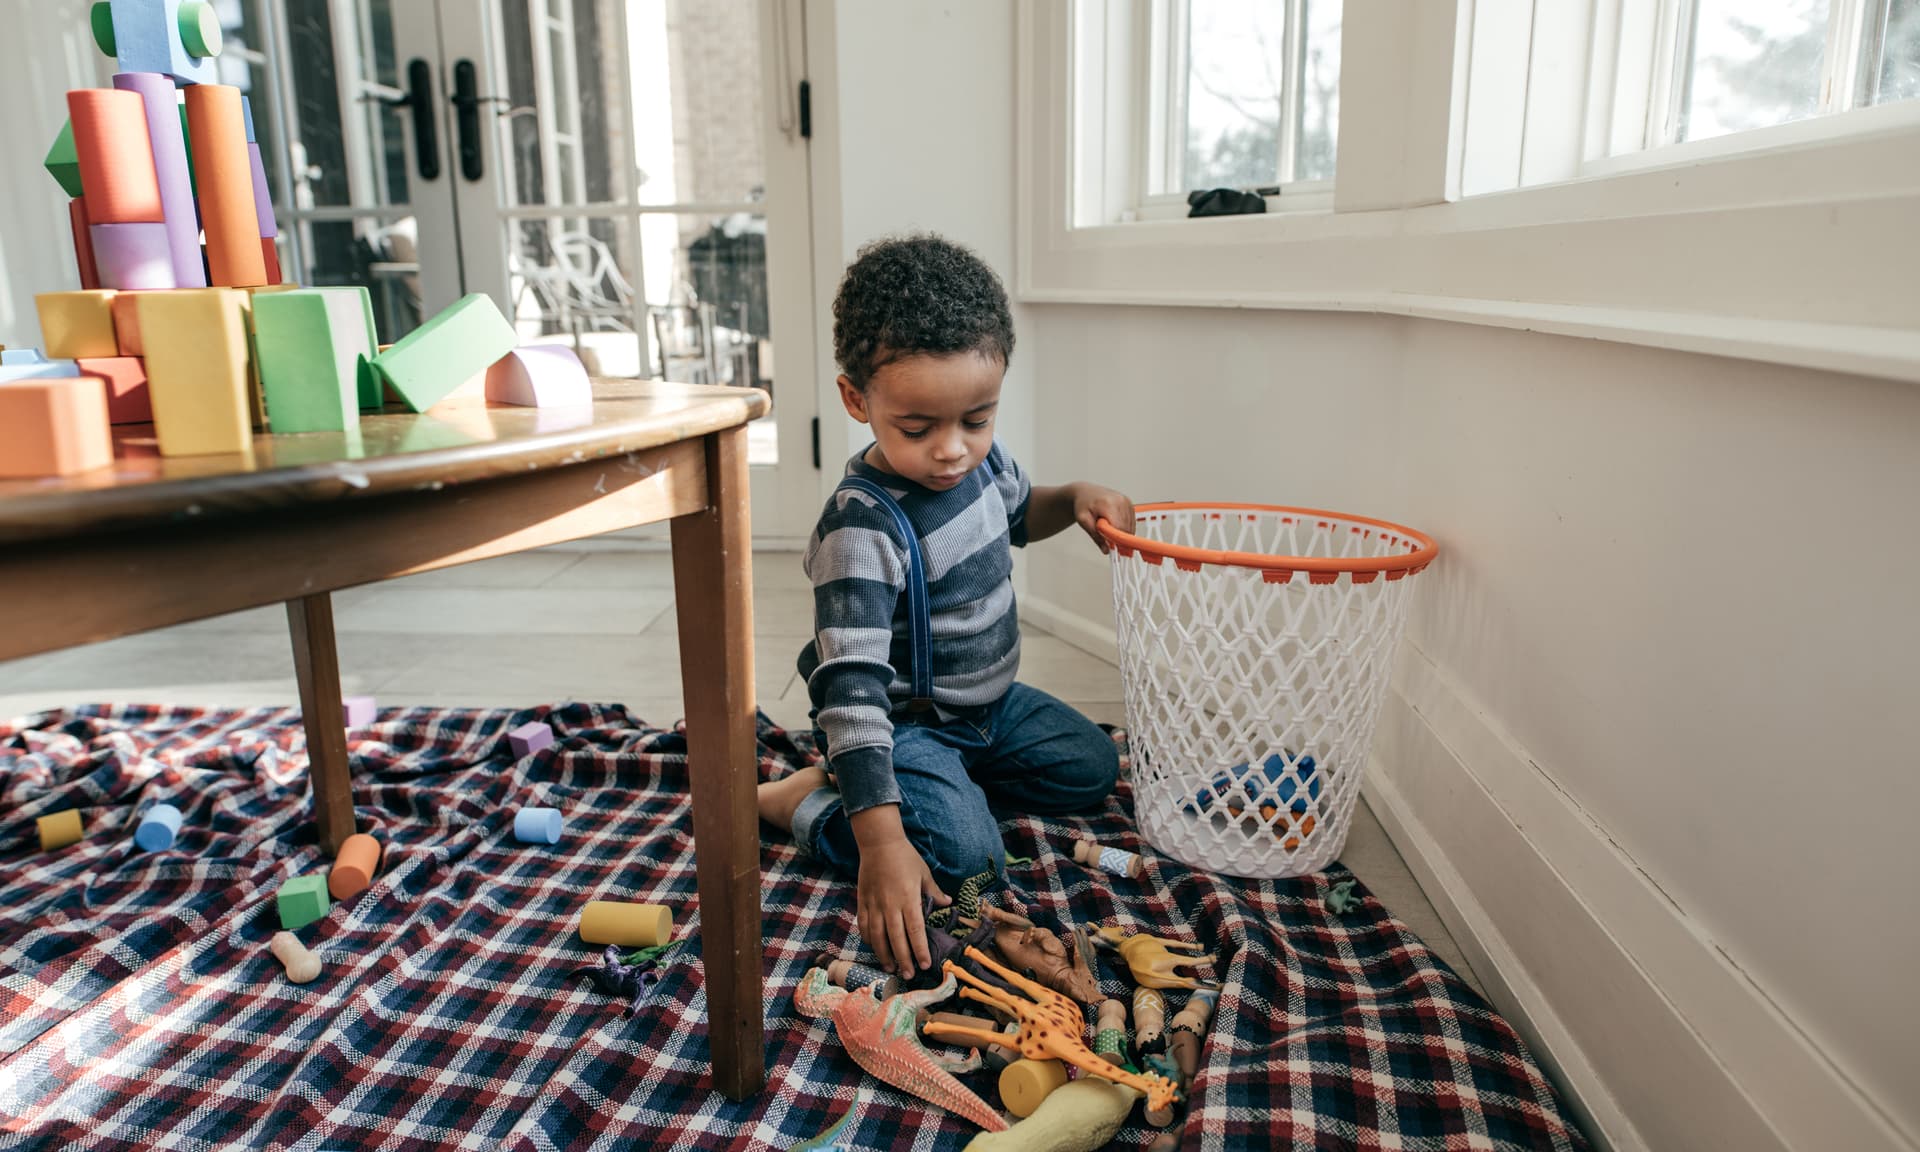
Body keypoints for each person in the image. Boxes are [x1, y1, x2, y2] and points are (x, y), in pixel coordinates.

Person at [757, 233, 1135, 980]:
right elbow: (852, 692)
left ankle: (943, 790)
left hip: (986, 710)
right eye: (918, 428)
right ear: (857, 400)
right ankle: (809, 804)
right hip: (903, 723)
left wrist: (1079, 497)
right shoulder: (861, 529)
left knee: (1090, 769)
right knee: (970, 862)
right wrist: (881, 843)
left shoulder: (982, 460)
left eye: (977, 418)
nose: (954, 450)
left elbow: (1025, 514)